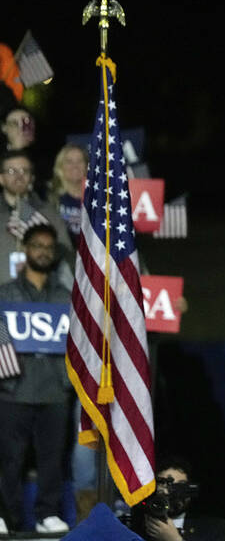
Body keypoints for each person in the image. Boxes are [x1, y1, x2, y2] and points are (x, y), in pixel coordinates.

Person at [0, 225, 73, 534]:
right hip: (14, 390)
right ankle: (6, 516)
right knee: (9, 460)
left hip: (55, 391)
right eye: (37, 245)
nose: (43, 251)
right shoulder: (5, 293)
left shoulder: (65, 296)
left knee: (52, 459)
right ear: (25, 249)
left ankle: (47, 514)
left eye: (49, 247)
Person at [1, 149, 72, 287]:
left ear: (31, 177)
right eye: (11, 171)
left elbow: (67, 254)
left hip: (40, 298)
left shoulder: (48, 212)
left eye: (24, 171)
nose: (18, 176)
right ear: (1, 178)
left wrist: (44, 246)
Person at [132, 456, 225, 541]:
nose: (168, 492)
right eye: (162, 483)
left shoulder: (212, 528)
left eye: (179, 487)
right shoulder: (136, 527)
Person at [47, 144, 87, 249]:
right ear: (60, 167)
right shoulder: (50, 198)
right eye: (69, 162)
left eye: (80, 161)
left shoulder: (98, 199)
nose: (75, 166)